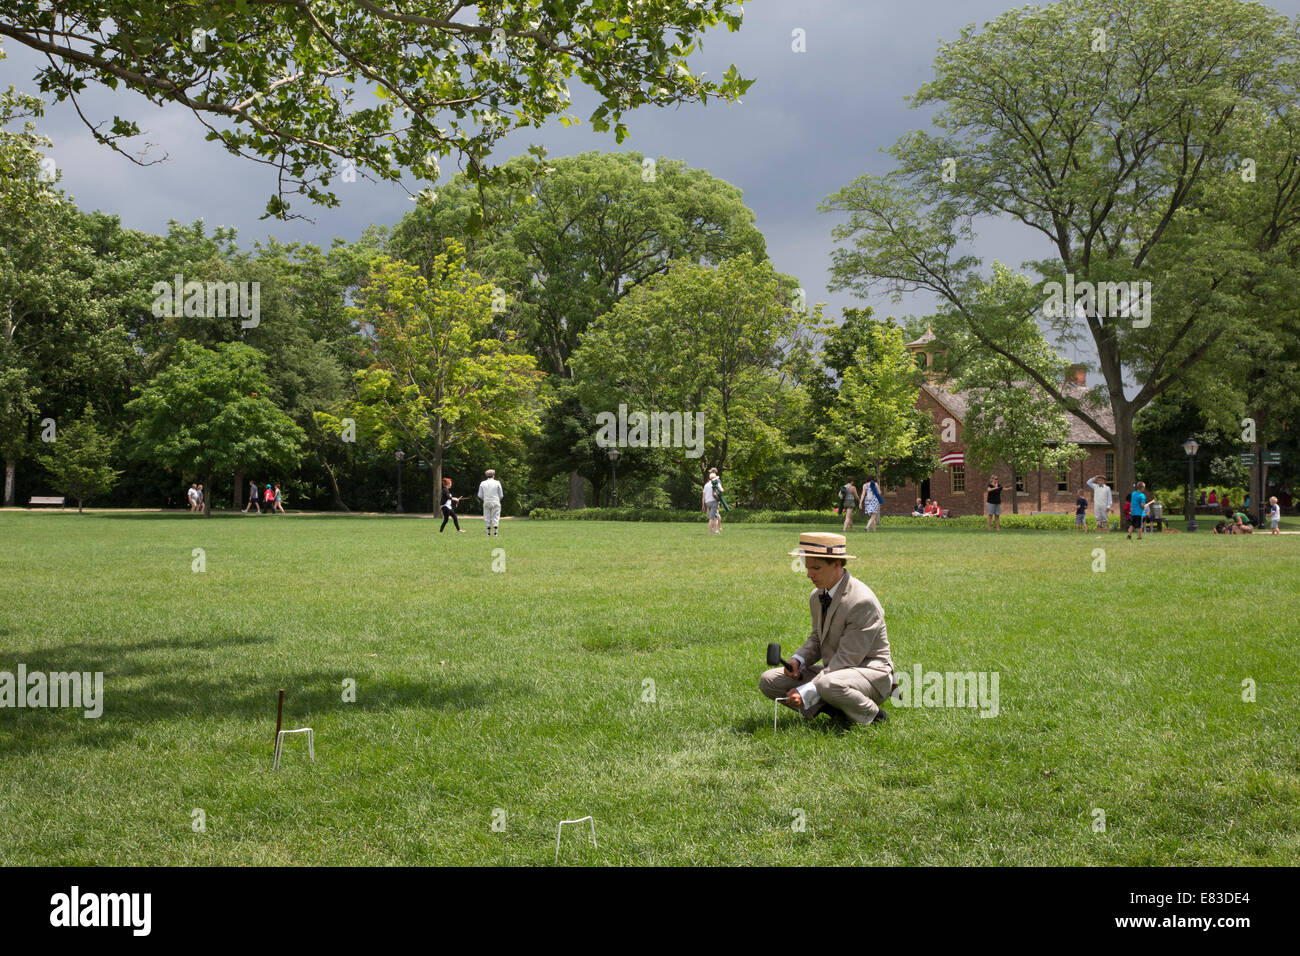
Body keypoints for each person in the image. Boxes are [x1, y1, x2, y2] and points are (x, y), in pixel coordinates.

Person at [760, 532, 895, 728]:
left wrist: (806, 692)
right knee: (769, 680)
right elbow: (817, 637)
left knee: (827, 684)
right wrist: (798, 660)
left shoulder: (862, 602)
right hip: (835, 673)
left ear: (837, 564)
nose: (809, 574)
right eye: (807, 568)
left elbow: (848, 658)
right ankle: (837, 713)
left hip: (870, 674)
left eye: (816, 568)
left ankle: (874, 717)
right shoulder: (817, 596)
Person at [477, 469, 504, 535]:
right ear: (493, 475)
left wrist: (485, 499)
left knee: (487, 516)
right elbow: (501, 495)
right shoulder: (497, 482)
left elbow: (479, 495)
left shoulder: (482, 483)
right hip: (496, 501)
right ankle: (495, 533)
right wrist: (498, 499)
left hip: (486, 501)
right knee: (496, 516)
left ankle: (488, 533)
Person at [702, 467, 724, 535]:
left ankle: (716, 530)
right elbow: (722, 490)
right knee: (712, 518)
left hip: (707, 502)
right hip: (714, 501)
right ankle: (710, 532)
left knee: (715, 516)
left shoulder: (706, 485)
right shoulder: (717, 482)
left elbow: (703, 497)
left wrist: (703, 505)